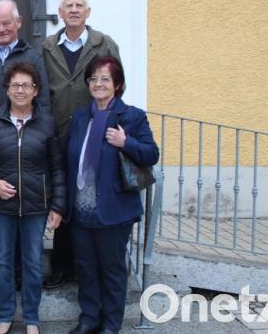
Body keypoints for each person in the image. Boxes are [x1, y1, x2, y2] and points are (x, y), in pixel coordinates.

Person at [64, 56, 159, 334]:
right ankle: (89, 319)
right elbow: (68, 158)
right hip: (81, 208)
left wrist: (125, 142)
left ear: (117, 84)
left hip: (113, 209)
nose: (98, 84)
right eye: (93, 78)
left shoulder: (132, 116)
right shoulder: (82, 117)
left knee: (112, 269)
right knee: (86, 267)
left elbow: (151, 154)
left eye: (105, 79)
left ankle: (111, 324)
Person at [0, 62, 66, 334]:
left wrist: (58, 205)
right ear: (7, 89)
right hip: (0, 205)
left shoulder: (46, 123)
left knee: (33, 261)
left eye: (26, 85)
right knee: (2, 261)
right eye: (15, 85)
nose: (21, 90)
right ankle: (5, 315)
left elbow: (57, 167)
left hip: (37, 206)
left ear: (36, 90)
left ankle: (32, 319)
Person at [0, 0, 50, 289]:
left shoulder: (34, 58)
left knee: (22, 209)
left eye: (6, 23)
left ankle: (17, 270)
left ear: (18, 22)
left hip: (24, 145)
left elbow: (44, 104)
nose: (1, 28)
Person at [41, 0, 121, 289]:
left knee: (93, 196)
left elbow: (119, 84)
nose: (74, 10)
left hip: (96, 133)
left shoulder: (104, 44)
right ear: (60, 13)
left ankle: (96, 263)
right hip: (59, 133)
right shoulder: (47, 46)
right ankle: (62, 265)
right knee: (64, 197)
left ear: (88, 12)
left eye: (79, 5)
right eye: (68, 6)